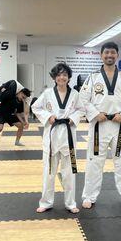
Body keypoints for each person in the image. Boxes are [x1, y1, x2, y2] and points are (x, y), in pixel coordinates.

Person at [79, 42, 121, 209]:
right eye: (106, 53)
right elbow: (83, 99)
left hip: (118, 125)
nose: (109, 56)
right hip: (99, 126)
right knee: (94, 162)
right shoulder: (92, 77)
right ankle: (89, 196)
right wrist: (93, 113)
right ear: (101, 55)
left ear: (117, 56)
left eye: (113, 53)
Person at [32, 63, 85, 214]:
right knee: (49, 172)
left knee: (69, 172)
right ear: (54, 77)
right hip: (52, 136)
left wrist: (73, 118)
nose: (62, 77)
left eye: (65, 75)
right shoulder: (48, 93)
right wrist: (48, 116)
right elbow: (36, 107)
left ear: (69, 78)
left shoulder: (75, 94)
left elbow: (81, 109)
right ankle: (46, 202)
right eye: (59, 75)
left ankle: (70, 203)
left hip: (68, 136)